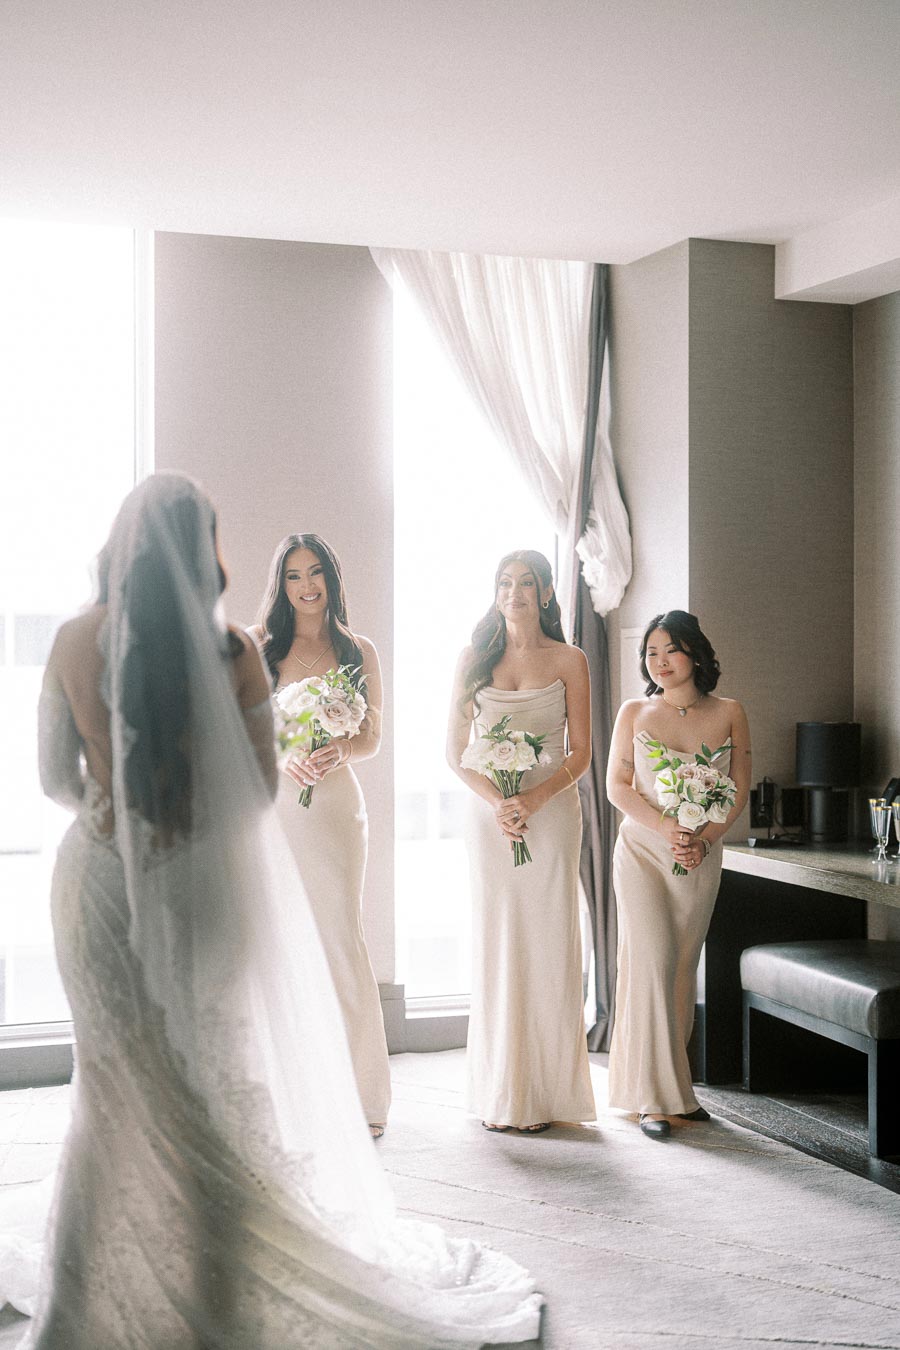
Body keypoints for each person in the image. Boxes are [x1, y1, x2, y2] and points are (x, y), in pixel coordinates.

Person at [10, 474, 542, 1347]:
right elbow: (257, 789)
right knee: (205, 1076)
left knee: (109, 1080)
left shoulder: (73, 638)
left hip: (98, 886)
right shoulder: (233, 653)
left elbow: (49, 781)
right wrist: (181, 831)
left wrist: (118, 824)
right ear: (204, 551)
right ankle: (214, 1291)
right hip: (199, 887)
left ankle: (89, 1302)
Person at [447, 550, 596, 1134]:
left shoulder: (570, 659)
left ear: (547, 593)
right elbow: (455, 748)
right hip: (489, 815)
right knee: (498, 937)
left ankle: (547, 1095)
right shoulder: (472, 658)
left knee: (547, 937)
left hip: (553, 811)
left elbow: (581, 751)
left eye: (526, 583)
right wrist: (499, 801)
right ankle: (500, 1091)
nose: (515, 593)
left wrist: (534, 799)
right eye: (505, 583)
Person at [252, 534, 391, 1138]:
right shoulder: (262, 649)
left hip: (335, 807)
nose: (306, 586)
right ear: (280, 586)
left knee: (339, 939)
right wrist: (285, 758)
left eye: (315, 573)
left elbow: (374, 738)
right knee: (281, 942)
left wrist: (342, 747)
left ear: (332, 578)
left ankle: (361, 1100)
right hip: (279, 806)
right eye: (293, 577)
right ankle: (289, 1097)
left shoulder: (359, 650)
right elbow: (244, 732)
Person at [606, 610, 751, 1141]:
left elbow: (736, 787)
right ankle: (655, 1100)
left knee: (681, 969)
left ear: (695, 653)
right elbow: (617, 789)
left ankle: (671, 1090)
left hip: (699, 857)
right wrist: (669, 828)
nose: (659, 662)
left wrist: (704, 839)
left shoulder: (730, 712)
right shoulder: (635, 712)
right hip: (643, 851)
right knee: (652, 961)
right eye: (650, 653)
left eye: (670, 650)